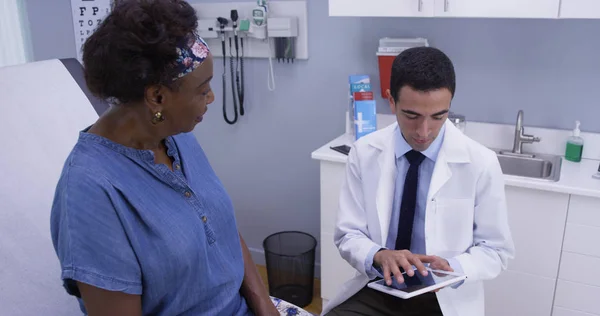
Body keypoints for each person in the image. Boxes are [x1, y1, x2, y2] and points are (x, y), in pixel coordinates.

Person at [49, 1, 282, 315]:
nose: (211, 98)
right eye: (203, 90)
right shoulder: (90, 193)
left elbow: (218, 225)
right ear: (157, 97)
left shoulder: (175, 137)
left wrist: (265, 306)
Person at [322, 47, 515, 316]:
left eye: (438, 116)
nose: (424, 132)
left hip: (444, 298)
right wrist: (379, 255)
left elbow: (496, 250)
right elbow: (348, 234)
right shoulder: (365, 152)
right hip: (380, 286)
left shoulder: (481, 162)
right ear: (391, 101)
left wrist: (452, 267)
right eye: (412, 116)